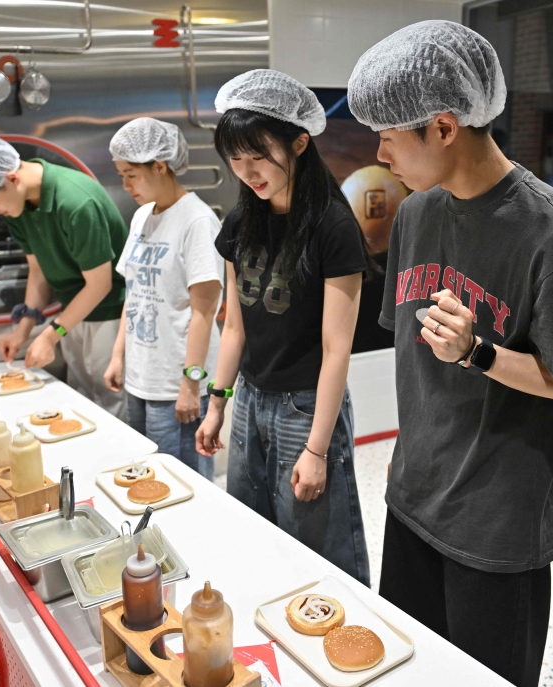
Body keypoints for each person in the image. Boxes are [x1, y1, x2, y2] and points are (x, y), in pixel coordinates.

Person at [347, 21, 553, 686]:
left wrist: (482, 355)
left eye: (389, 134)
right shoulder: (414, 215)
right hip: (412, 500)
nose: (379, 151)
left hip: (496, 531)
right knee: (410, 673)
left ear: (442, 127)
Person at [196, 69, 371, 586]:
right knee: (251, 527)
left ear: (299, 144)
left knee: (317, 540)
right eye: (236, 157)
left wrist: (317, 450)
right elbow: (234, 327)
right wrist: (217, 403)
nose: (247, 170)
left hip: (307, 405)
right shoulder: (239, 222)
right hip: (251, 398)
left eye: (259, 155)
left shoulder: (333, 226)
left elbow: (337, 350)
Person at [0, 134, 128, 418]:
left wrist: (52, 335)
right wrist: (24, 329)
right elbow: (39, 270)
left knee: (112, 403)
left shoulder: (76, 202)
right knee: (83, 403)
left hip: (111, 316)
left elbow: (100, 284)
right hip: (73, 314)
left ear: (12, 178)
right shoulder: (18, 208)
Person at [103, 118, 223, 479]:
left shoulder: (197, 221)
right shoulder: (142, 216)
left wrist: (191, 383)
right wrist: (117, 355)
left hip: (176, 383)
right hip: (142, 377)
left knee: (182, 480)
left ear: (160, 166)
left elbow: (204, 312)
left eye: (131, 175)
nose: (125, 185)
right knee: (145, 475)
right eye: (121, 175)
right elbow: (135, 293)